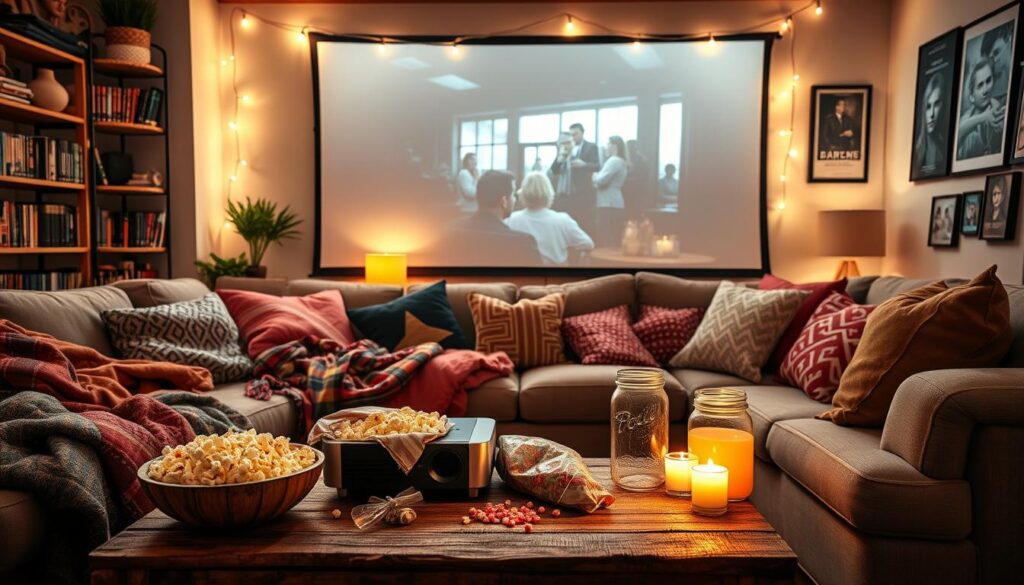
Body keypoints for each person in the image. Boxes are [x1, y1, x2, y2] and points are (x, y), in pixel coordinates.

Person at [444, 170, 543, 266]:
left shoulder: (448, 233)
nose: (515, 200)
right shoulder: (524, 244)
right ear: (504, 201)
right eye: (513, 195)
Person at [505, 172, 594, 266]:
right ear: (549, 192)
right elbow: (588, 244)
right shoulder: (562, 220)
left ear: (522, 193)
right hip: (556, 276)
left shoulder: (511, 219)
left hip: (523, 276)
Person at [549, 123, 600, 235]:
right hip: (563, 194)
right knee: (564, 224)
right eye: (571, 135)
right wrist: (560, 158)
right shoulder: (564, 148)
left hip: (582, 193)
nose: (573, 137)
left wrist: (584, 165)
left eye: (576, 134)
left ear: (582, 133)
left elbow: (597, 166)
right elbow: (554, 171)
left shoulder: (591, 147)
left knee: (582, 223)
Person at [957, 57, 1004, 159]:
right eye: (980, 85)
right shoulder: (969, 115)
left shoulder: (997, 106)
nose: (985, 90)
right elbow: (959, 130)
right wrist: (984, 117)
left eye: (988, 81)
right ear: (972, 97)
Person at [592, 136, 629, 247]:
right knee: (612, 236)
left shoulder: (614, 161)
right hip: (613, 202)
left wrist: (594, 176)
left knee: (606, 237)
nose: (606, 147)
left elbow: (600, 180)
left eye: (608, 144)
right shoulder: (621, 161)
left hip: (608, 203)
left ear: (614, 146)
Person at [914, 73, 947, 175]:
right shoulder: (916, 152)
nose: (931, 114)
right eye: (928, 107)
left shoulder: (943, 150)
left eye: (936, 105)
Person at [624, 140, 652, 218]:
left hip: (637, 192)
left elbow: (642, 177)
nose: (630, 149)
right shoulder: (625, 158)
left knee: (635, 214)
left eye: (632, 147)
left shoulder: (641, 160)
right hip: (626, 192)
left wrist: (625, 180)